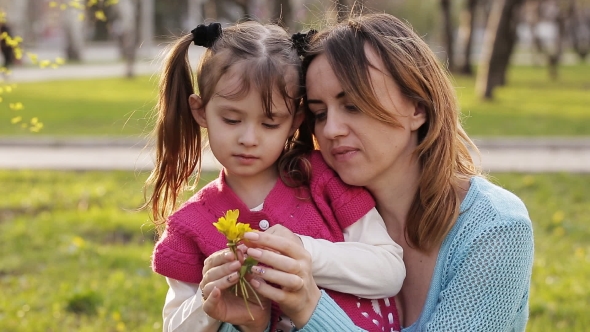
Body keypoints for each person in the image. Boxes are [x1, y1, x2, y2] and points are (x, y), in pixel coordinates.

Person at [205, 13, 535, 331]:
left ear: (417, 108)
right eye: (319, 114)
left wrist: (310, 309)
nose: (331, 129)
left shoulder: (494, 229)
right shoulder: (306, 211)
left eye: (352, 105)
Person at [144, 21, 405, 332]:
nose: (249, 138)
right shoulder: (190, 225)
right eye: (231, 119)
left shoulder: (321, 178)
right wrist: (208, 299)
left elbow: (389, 271)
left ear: (295, 120)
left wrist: (303, 253)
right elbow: (174, 325)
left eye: (269, 124)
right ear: (200, 111)